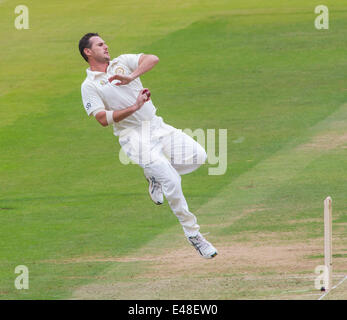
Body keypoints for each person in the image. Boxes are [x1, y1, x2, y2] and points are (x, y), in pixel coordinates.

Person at [79, 33, 217, 259]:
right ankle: (194, 235)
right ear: (88, 52)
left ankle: (154, 175)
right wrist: (134, 107)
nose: (106, 46)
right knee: (172, 181)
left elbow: (153, 58)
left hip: (156, 124)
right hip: (133, 136)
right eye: (100, 44)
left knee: (198, 156)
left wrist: (131, 77)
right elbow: (102, 119)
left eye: (105, 43)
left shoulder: (121, 62)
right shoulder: (90, 85)